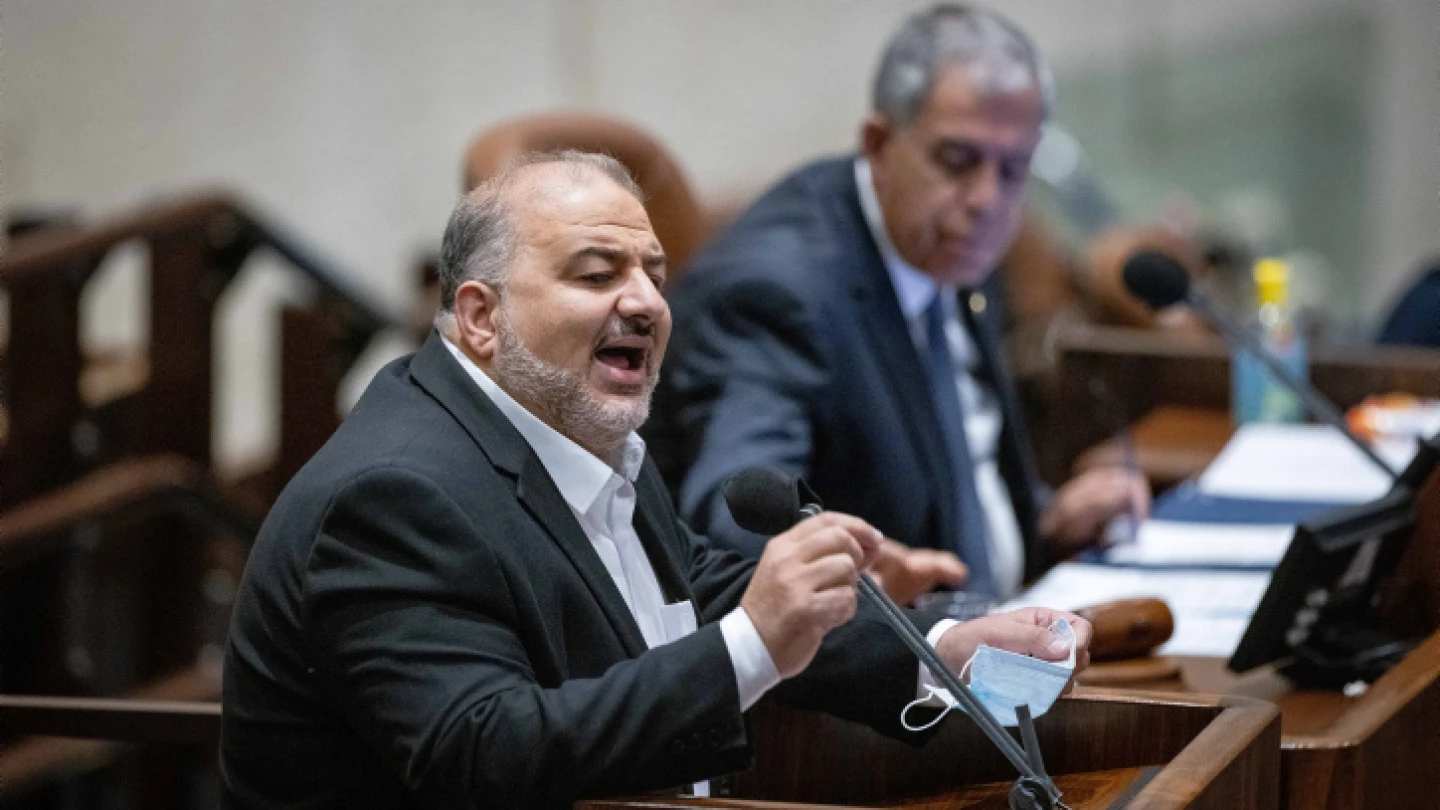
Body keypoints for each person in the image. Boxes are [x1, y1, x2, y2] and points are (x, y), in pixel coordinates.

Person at [220, 151, 1092, 809]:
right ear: (482, 317)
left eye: (654, 275)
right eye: (597, 274)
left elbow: (691, 594)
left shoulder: (572, 427)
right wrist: (755, 640)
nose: (645, 302)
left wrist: (939, 650)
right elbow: (483, 753)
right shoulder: (391, 498)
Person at [650, 4, 1149, 599]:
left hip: (1012, 621)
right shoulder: (777, 292)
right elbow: (741, 517)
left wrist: (1046, 522)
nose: (988, 199)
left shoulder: (943, 242)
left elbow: (952, 460)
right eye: (958, 161)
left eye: (1014, 169)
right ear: (880, 144)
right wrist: (850, 576)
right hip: (887, 670)